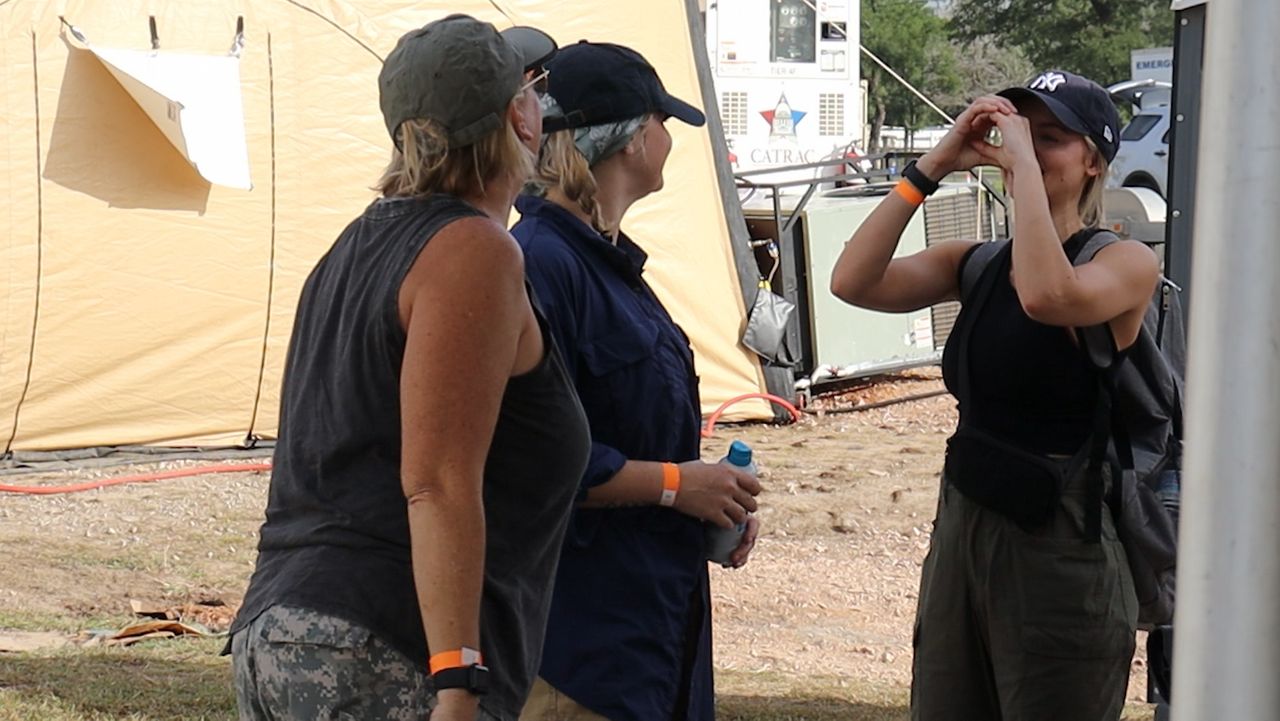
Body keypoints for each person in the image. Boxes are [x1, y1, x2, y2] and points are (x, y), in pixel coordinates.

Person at [226, 15, 590, 721]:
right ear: (517, 115)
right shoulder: (475, 253)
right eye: (531, 89)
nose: (539, 106)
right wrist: (457, 677)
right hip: (382, 644)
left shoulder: (355, 245)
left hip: (288, 625)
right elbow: (436, 481)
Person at [830, 70, 1158, 721]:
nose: (1025, 150)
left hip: (1063, 549)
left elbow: (1047, 295)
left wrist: (1023, 171)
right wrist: (932, 165)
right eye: (1019, 134)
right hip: (965, 532)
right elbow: (852, 280)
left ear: (1094, 159)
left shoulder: (1124, 263)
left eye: (1051, 138)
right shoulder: (979, 262)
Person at [509, 41, 763, 721]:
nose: (668, 137)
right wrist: (680, 486)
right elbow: (533, 458)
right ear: (628, 138)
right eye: (662, 119)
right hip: (582, 651)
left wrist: (705, 502)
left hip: (651, 632)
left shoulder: (607, 263)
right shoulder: (541, 263)